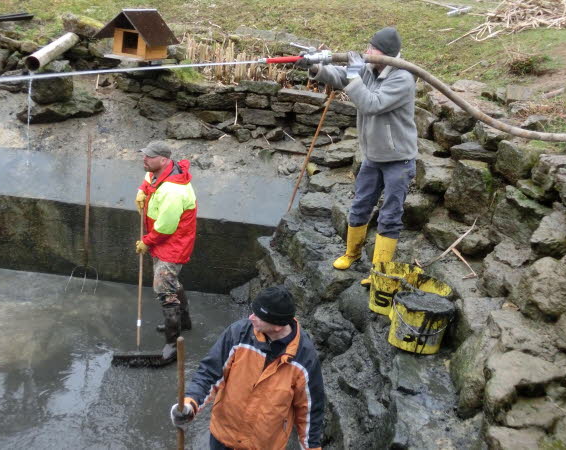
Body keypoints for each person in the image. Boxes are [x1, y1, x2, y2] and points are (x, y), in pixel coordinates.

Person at [299, 27, 417, 286]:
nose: (366, 51)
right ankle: (352, 254)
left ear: (384, 53)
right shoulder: (370, 68)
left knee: (390, 214)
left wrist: (353, 75)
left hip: (398, 159)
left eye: (371, 48)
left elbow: (371, 104)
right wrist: (316, 67)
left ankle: (379, 271)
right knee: (361, 204)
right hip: (373, 155)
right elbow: (341, 76)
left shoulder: (402, 78)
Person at [170, 285, 325, 450]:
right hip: (223, 436)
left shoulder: (304, 358)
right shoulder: (238, 334)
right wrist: (189, 404)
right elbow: (209, 374)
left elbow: (310, 411)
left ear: (277, 326)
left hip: (263, 444)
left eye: (258, 316)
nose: (251, 317)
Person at [134, 140, 197, 363]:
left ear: (163, 160)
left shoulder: (173, 190)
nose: (144, 159)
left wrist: (147, 241)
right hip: (163, 241)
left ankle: (172, 342)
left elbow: (167, 227)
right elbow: (148, 179)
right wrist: (142, 190)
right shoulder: (158, 172)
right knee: (170, 282)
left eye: (149, 157)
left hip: (172, 243)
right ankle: (185, 321)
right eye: (145, 154)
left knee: (164, 288)